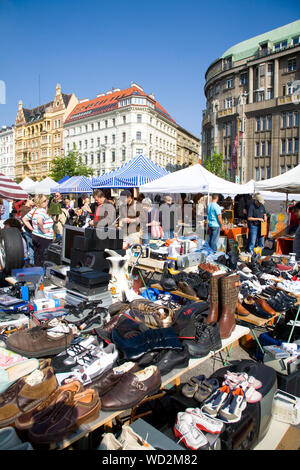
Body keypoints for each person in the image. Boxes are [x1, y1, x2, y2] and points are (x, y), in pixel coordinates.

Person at [22, 194, 54, 267]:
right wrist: (43, 230)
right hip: (44, 238)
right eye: (46, 201)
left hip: (35, 236)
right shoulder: (42, 211)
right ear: (43, 202)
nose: (47, 202)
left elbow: (24, 219)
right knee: (43, 259)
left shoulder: (34, 210)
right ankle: (42, 274)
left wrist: (33, 229)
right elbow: (39, 221)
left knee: (37, 257)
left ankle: (37, 272)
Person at [20, 197, 35, 265]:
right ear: (28, 200)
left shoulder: (29, 208)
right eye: (33, 200)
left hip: (30, 231)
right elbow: (25, 219)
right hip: (28, 231)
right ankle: (31, 263)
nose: (34, 202)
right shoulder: (24, 208)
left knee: (31, 247)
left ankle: (32, 263)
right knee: (31, 248)